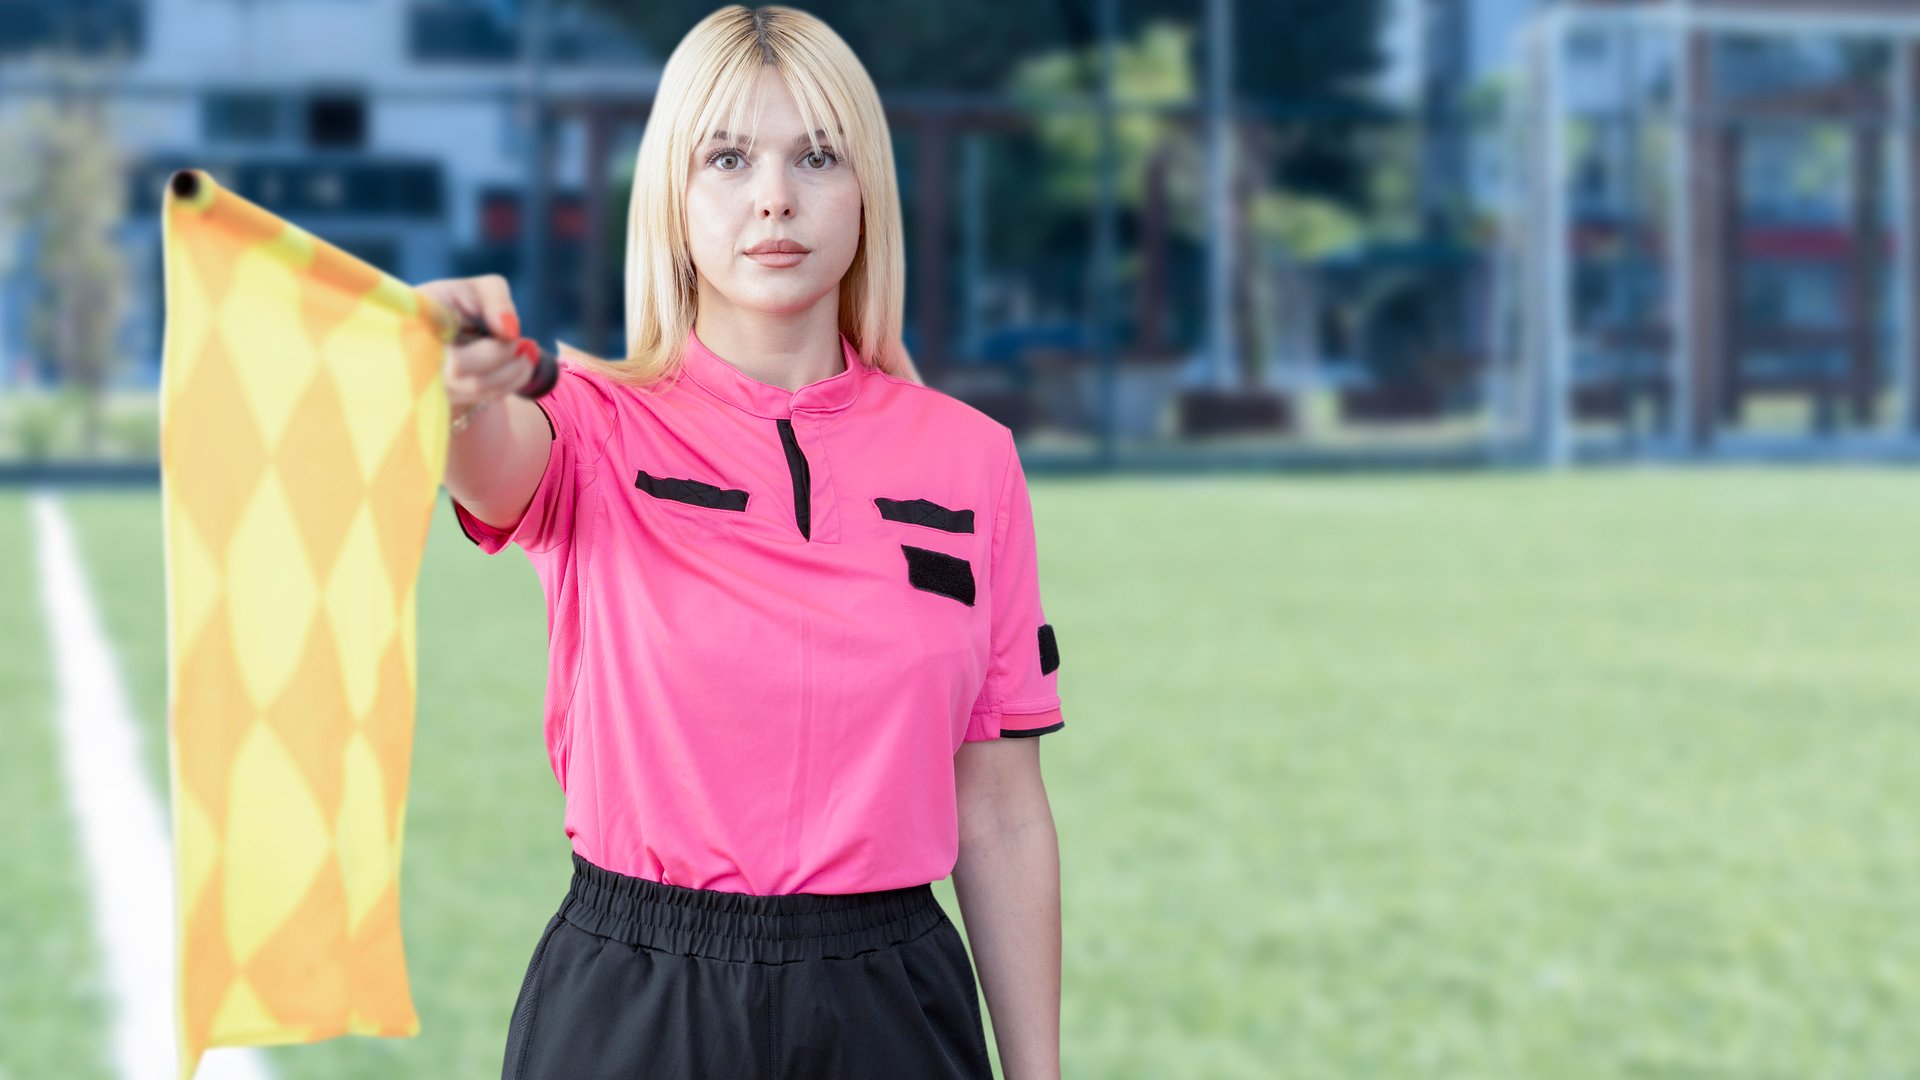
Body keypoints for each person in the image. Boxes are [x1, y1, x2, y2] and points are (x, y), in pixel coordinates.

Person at [417, 6, 1066, 1079]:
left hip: (893, 999)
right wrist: (448, 384)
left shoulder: (972, 459)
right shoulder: (587, 423)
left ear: (868, 192)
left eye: (817, 155)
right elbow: (485, 450)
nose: (775, 196)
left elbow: (998, 809)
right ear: (673, 194)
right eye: (728, 157)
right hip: (635, 999)